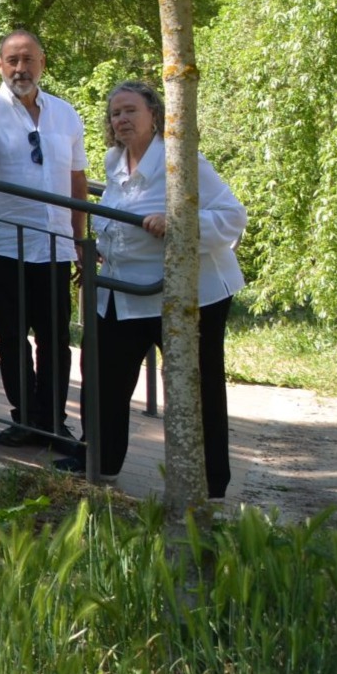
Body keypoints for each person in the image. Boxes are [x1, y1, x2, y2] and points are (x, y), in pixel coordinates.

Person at [71, 81, 245, 492]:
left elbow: (232, 216)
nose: (122, 119)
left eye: (130, 110)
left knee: (198, 388)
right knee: (102, 376)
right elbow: (118, 215)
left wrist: (178, 224)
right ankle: (99, 463)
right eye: (115, 113)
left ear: (154, 115)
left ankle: (209, 486)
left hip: (191, 295)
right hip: (125, 292)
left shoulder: (181, 161)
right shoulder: (114, 161)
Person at [0, 29, 89, 451]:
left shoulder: (66, 114)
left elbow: (77, 181)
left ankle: (53, 423)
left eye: (28, 59)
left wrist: (80, 240)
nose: (20, 68)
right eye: (12, 60)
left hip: (54, 244)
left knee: (55, 339)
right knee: (11, 337)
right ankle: (25, 419)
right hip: (2, 243)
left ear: (42, 63)